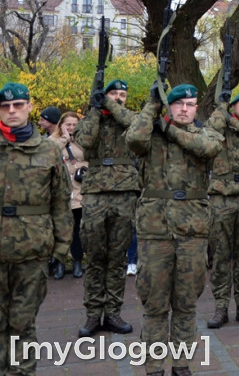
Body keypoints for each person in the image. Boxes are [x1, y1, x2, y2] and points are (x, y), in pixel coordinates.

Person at [126, 83, 223, 376]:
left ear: (196, 108)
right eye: (178, 103)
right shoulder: (150, 133)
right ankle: (154, 367)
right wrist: (151, 105)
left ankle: (181, 365)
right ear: (168, 106)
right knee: (154, 303)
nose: (184, 109)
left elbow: (206, 148)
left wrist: (169, 129)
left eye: (190, 104)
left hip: (192, 231)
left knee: (186, 302)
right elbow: (133, 139)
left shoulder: (206, 133)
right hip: (155, 230)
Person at [0, 82, 73, 375]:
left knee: (22, 323)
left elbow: (61, 202)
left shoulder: (48, 150)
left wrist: (61, 247)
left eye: (18, 105)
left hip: (32, 251)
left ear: (30, 107)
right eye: (5, 107)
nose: (12, 111)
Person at [73, 79, 138, 337]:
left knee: (117, 257)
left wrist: (112, 105)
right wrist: (95, 109)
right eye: (114, 94)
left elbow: (137, 129)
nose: (119, 98)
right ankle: (92, 315)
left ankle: (113, 312)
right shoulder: (93, 119)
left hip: (124, 193)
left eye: (123, 94)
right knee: (95, 257)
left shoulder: (129, 118)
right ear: (103, 95)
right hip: (96, 193)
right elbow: (85, 142)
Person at [204, 89, 239, 329]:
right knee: (220, 256)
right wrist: (222, 108)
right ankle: (220, 306)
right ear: (233, 106)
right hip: (222, 199)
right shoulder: (219, 127)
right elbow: (209, 128)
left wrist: (234, 123)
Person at [52, 112, 87, 280]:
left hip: (80, 191)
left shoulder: (84, 140)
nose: (71, 128)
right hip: (61, 191)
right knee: (59, 230)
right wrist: (65, 139)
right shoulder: (53, 140)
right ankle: (59, 262)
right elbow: (48, 154)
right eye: (68, 124)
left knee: (77, 230)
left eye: (74, 124)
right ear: (61, 125)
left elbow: (91, 157)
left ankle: (77, 262)